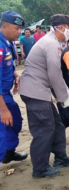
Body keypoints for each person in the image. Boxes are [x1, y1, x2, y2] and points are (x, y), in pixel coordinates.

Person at [19, 14, 69, 178]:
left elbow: (55, 74)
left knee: (57, 125)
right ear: (61, 27)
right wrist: (63, 97)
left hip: (40, 91)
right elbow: (54, 73)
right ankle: (40, 168)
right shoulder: (51, 44)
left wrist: (65, 92)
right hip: (35, 92)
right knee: (44, 129)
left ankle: (60, 157)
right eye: (68, 28)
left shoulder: (54, 42)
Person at [0, 11, 28, 166]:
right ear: (5, 26)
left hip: (6, 93)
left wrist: (15, 74)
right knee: (2, 132)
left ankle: (8, 153)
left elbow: (6, 65)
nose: (20, 32)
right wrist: (3, 109)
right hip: (1, 96)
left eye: (21, 29)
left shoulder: (8, 42)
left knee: (15, 121)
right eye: (16, 28)